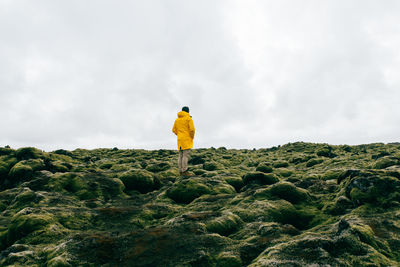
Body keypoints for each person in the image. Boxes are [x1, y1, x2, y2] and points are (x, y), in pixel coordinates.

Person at [172, 106, 195, 176]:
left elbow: (173, 130)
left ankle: (180, 171)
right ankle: (184, 171)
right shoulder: (188, 119)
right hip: (186, 139)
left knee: (180, 155)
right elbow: (192, 130)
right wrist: (191, 137)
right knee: (185, 155)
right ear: (188, 111)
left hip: (180, 139)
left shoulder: (177, 120)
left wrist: (179, 134)